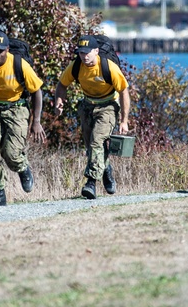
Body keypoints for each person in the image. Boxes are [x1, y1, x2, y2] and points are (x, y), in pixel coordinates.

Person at [53, 35, 130, 200]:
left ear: (96, 51)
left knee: (97, 141)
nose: (84, 56)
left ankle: (91, 183)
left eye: (87, 52)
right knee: (91, 148)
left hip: (108, 106)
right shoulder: (76, 66)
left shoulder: (108, 67)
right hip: (87, 106)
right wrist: (59, 100)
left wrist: (124, 120)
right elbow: (62, 84)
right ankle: (106, 169)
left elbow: (124, 91)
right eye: (81, 53)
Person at [0, 32, 46, 207]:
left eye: (0, 51)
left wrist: (36, 121)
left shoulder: (18, 64)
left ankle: (22, 167)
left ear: (7, 50)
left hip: (17, 108)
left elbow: (37, 91)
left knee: (11, 153)